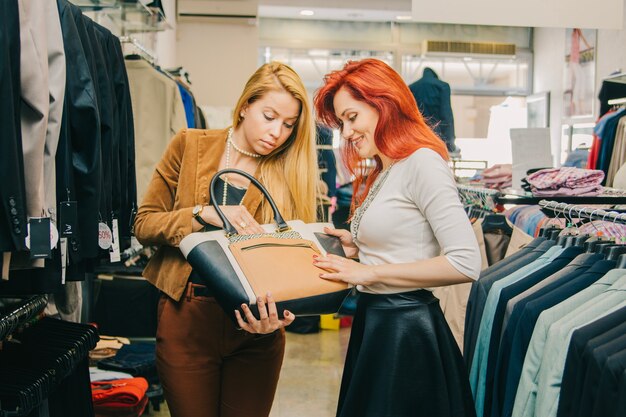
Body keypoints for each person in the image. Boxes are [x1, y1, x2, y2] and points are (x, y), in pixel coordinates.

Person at [134, 61, 318, 417]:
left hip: (257, 329)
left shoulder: (289, 171)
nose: (277, 132)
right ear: (246, 104)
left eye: (288, 124)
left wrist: (282, 317)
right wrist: (203, 214)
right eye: (269, 115)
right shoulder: (190, 146)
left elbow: (293, 265)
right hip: (187, 316)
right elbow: (144, 223)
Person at [313, 58, 481, 417]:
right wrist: (356, 248)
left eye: (352, 117)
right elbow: (403, 241)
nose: (347, 131)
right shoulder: (386, 169)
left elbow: (465, 262)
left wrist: (368, 273)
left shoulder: (422, 162)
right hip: (378, 323)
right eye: (342, 121)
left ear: (384, 104)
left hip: (406, 330)